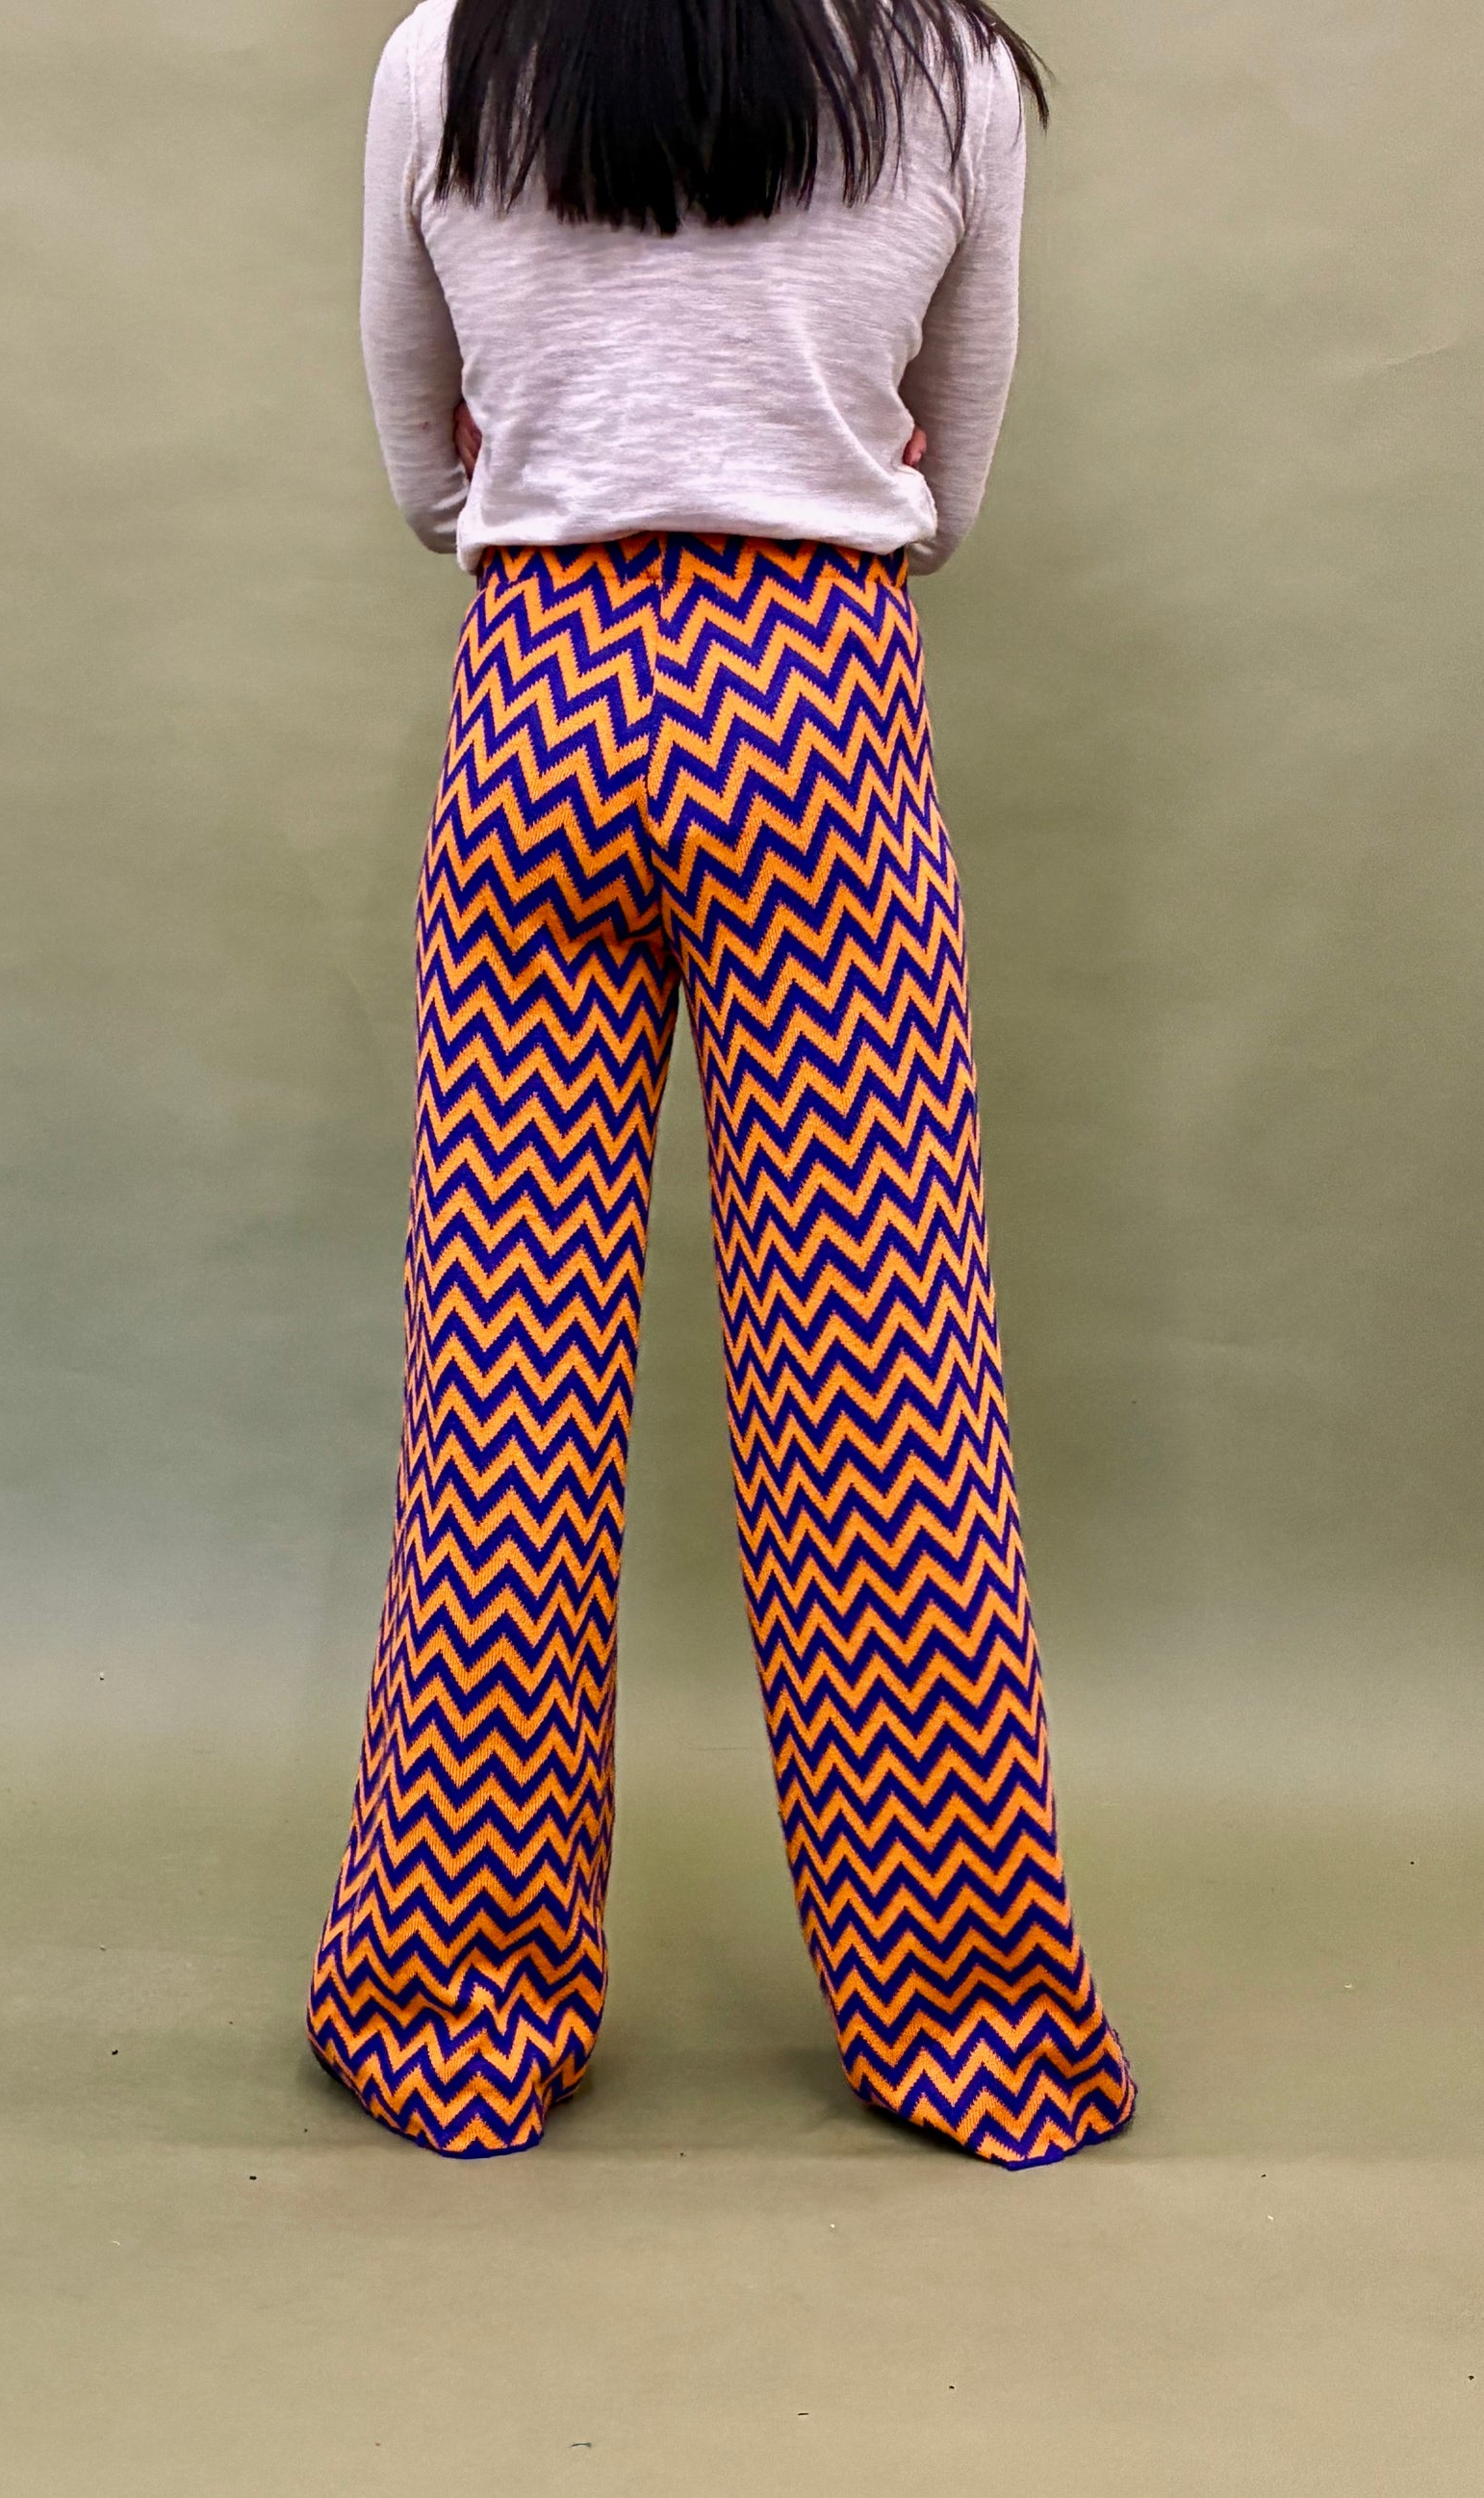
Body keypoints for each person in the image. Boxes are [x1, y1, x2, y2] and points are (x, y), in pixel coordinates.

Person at [306, 0, 1138, 2168]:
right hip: (815, 709)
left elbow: (420, 461)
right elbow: (952, 465)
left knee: (502, 1378)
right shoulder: (946, 67)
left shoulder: (443, 53)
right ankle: (977, 2029)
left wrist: (549, 476)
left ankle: (448, 2021)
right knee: (879, 1377)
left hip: (538, 694)